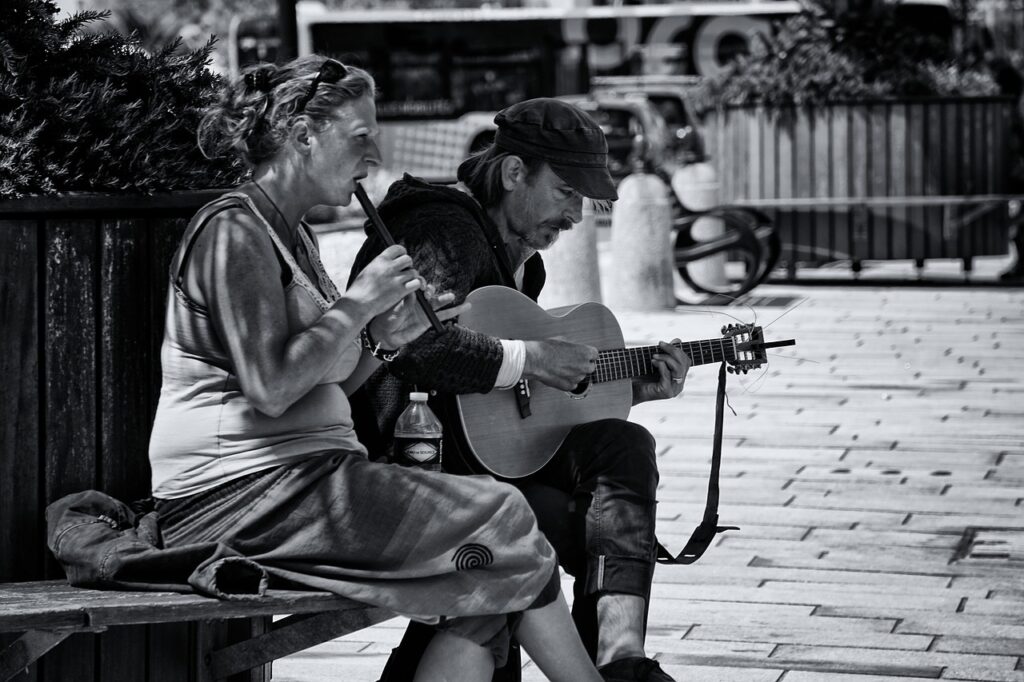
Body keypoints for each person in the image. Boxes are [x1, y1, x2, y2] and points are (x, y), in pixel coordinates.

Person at [147, 57, 604, 682]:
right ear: (304, 135)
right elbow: (270, 387)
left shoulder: (293, 235)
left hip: (302, 480)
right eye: (360, 137)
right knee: (504, 520)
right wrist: (360, 303)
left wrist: (385, 340)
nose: (374, 155)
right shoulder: (235, 232)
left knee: (496, 578)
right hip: (238, 494)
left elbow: (328, 379)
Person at [349, 98, 692, 682]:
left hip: (478, 457)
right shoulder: (441, 228)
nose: (577, 216)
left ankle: (620, 658)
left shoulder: (522, 262)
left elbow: (514, 405)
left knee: (622, 447)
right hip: (414, 461)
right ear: (513, 174)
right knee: (572, 528)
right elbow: (422, 350)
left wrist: (630, 390)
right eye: (566, 193)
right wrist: (532, 358)